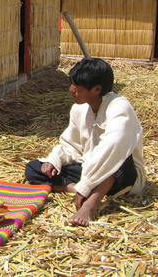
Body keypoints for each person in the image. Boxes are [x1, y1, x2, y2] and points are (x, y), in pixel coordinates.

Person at [25, 58, 146, 227]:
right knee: (33, 169)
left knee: (115, 159)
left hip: (122, 175)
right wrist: (55, 160)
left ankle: (90, 205)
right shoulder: (79, 109)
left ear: (97, 89)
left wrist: (87, 184)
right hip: (89, 169)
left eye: (77, 86)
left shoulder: (120, 108)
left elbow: (112, 148)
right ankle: (75, 188)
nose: (71, 89)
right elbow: (71, 144)